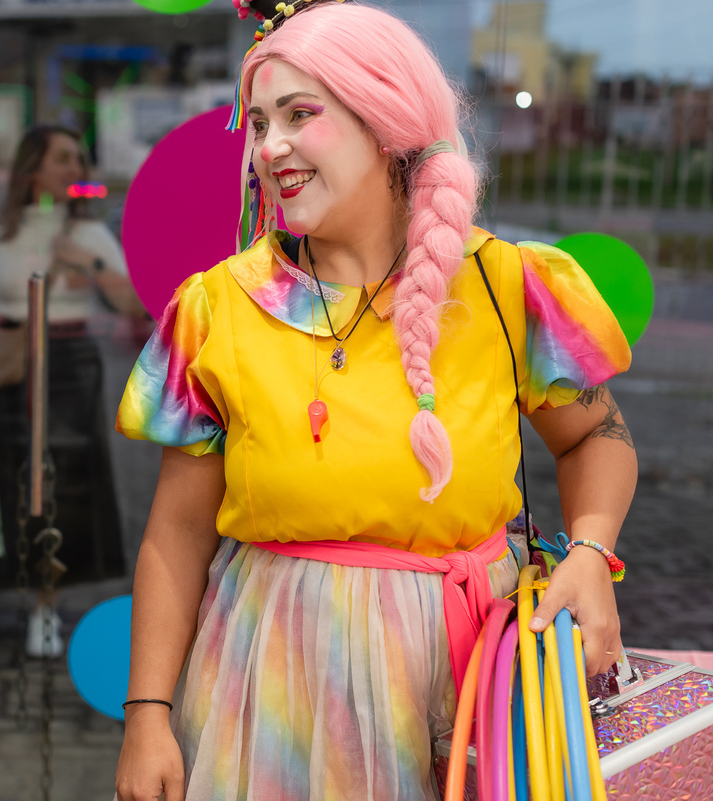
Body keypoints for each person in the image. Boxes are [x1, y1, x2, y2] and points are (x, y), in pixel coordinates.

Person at [113, 2, 636, 800]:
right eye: (257, 124)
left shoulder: (506, 286)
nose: (268, 146)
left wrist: (593, 554)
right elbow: (176, 533)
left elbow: (594, 436)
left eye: (299, 114)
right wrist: (148, 714)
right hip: (275, 686)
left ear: (386, 120)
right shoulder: (217, 310)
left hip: (471, 691)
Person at [0, 125, 146, 657]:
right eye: (62, 159)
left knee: (61, 484)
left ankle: (45, 604)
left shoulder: (89, 235)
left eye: (79, 160)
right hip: (11, 361)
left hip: (69, 365)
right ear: (32, 167)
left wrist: (91, 265)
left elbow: (133, 303)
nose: (74, 170)